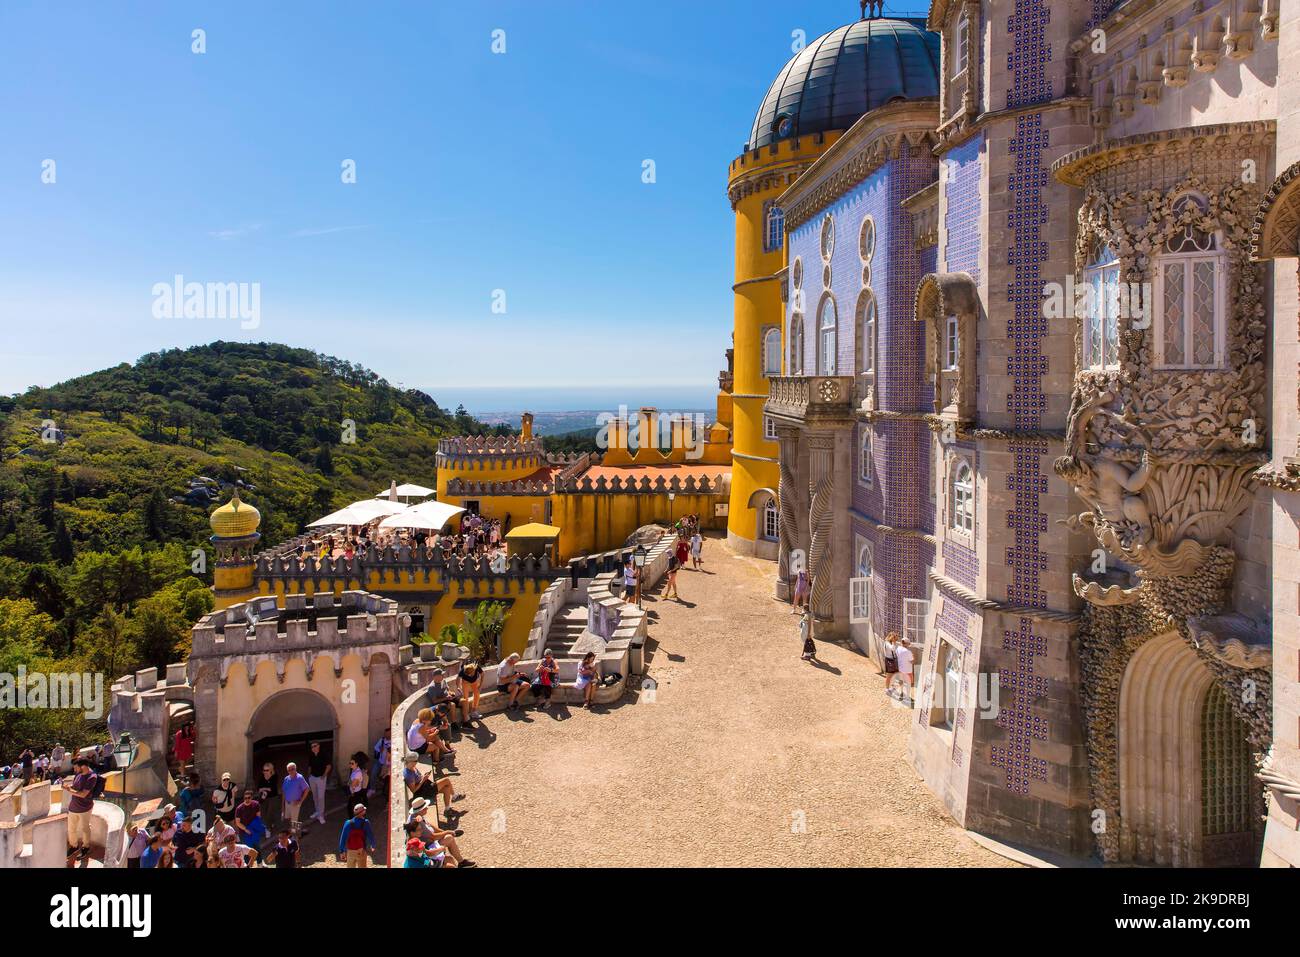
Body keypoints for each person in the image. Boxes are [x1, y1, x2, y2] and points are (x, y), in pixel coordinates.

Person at [406, 801, 476, 867]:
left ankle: (461, 862)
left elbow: (425, 855)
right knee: (450, 863)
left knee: (449, 858)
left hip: (428, 858)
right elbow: (427, 854)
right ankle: (461, 862)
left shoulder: (418, 818)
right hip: (429, 850)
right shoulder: (416, 845)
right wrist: (441, 849)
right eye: (425, 807)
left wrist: (443, 832)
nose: (427, 808)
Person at [65, 756, 97, 862]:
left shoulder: (91, 777)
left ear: (83, 766)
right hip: (73, 807)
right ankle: (74, 846)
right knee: (71, 829)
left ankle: (86, 847)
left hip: (85, 808)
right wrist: (68, 786)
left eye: (76, 767)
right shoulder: (78, 775)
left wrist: (69, 790)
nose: (75, 770)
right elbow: (75, 787)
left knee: (85, 829)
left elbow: (83, 794)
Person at [306, 742, 331, 825]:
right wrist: (309, 776)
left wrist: (324, 776)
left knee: (321, 797)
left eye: (315, 746)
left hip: (321, 778)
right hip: (312, 778)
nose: (313, 748)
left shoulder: (324, 754)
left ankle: (321, 815)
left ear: (319, 746)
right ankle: (317, 811)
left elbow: (328, 766)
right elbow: (310, 766)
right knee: (315, 796)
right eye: (312, 747)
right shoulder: (311, 755)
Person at [281, 762, 310, 829]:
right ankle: (292, 832)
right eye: (289, 770)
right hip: (287, 803)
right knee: (289, 819)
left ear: (295, 769)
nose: (291, 771)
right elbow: (284, 792)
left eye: (292, 769)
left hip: (295, 803)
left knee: (294, 822)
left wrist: (300, 801)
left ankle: (295, 837)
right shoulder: (286, 779)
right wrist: (283, 805)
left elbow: (307, 789)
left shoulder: (300, 778)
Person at [894, 636, 915, 705]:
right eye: (908, 644)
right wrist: (913, 657)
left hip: (901, 668)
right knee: (910, 683)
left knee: (901, 681)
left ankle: (901, 693)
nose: (909, 645)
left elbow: (897, 655)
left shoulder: (898, 648)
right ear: (905, 644)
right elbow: (912, 661)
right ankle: (908, 696)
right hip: (908, 670)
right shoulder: (908, 652)